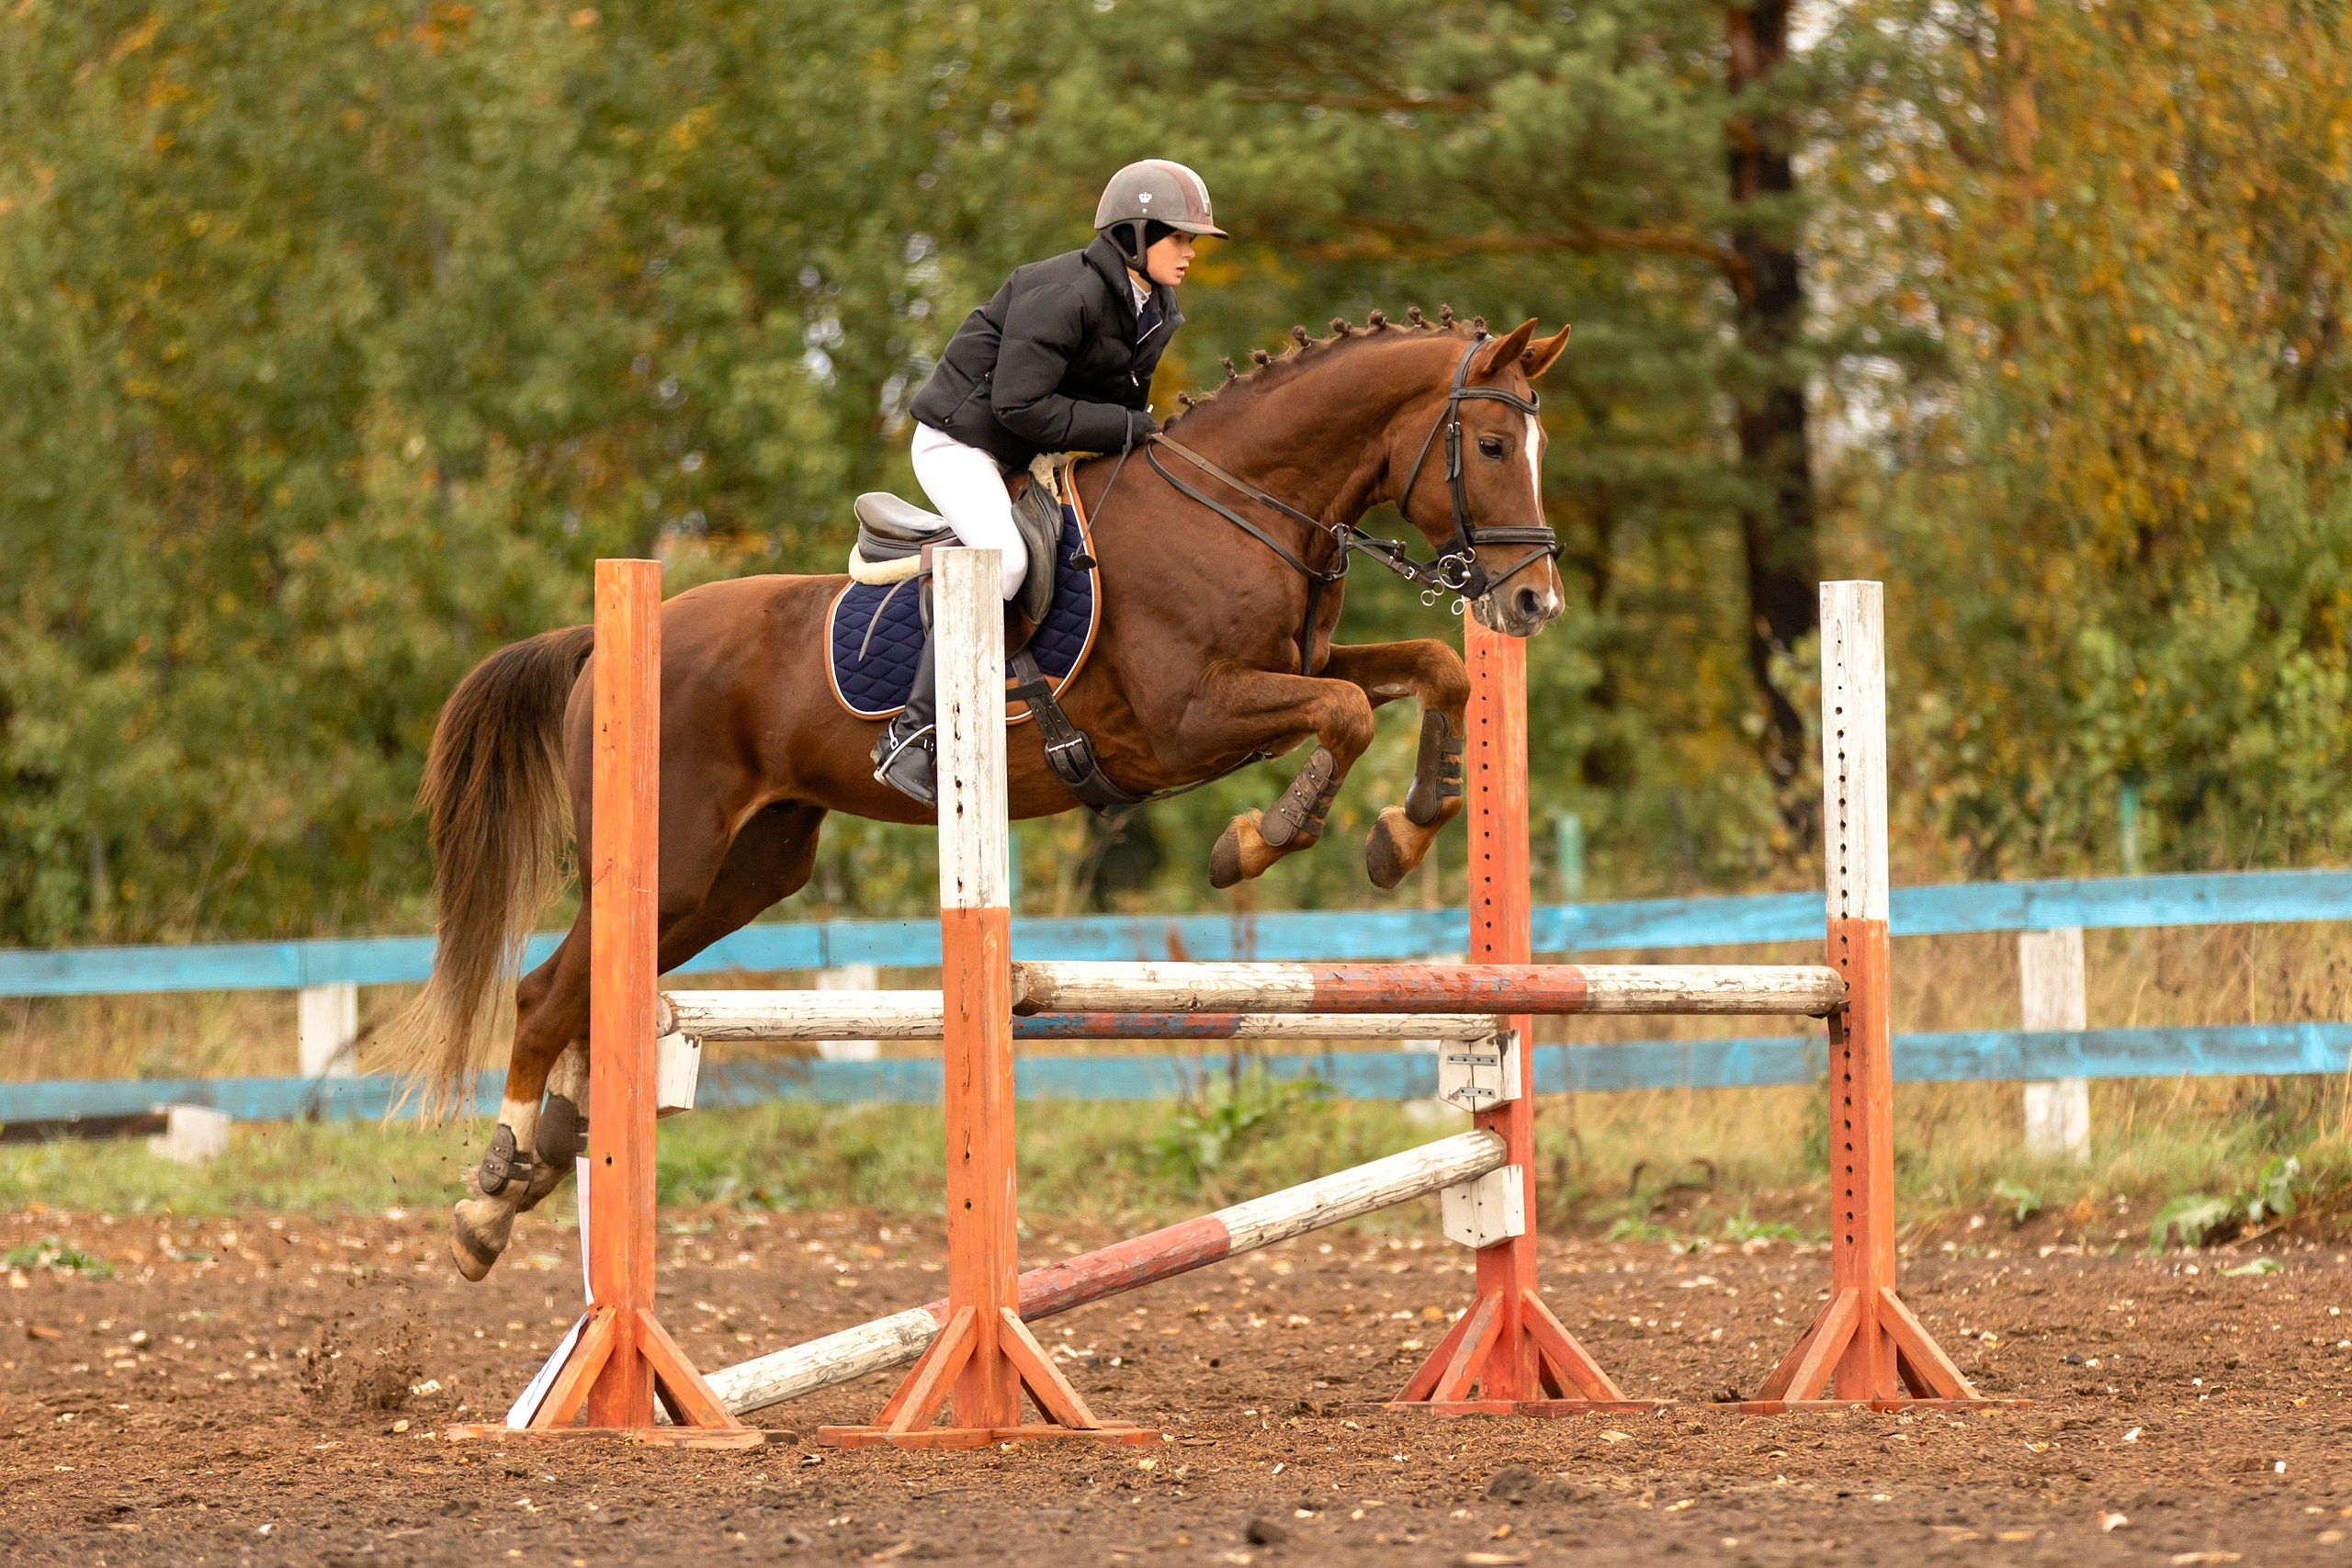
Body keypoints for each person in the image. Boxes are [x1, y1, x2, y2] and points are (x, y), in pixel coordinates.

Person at [871, 159, 1227, 804]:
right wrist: (1128, 425)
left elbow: (1119, 412)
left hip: (1026, 451)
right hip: (963, 443)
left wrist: (1137, 432)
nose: (1191, 252)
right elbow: (1018, 404)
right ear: (1134, 236)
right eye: (1180, 237)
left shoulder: (1155, 307)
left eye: (1192, 239)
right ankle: (912, 732)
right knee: (1005, 563)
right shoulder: (1065, 291)